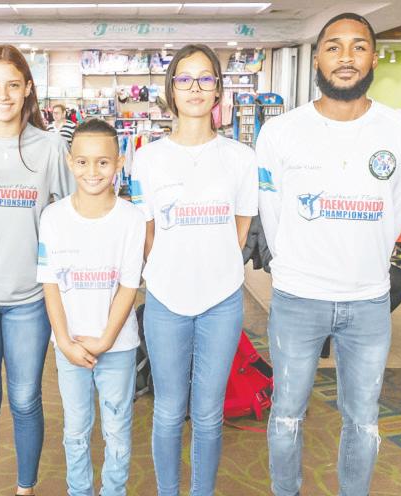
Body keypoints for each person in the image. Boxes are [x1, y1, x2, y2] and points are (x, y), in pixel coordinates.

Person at [256, 13, 401, 496]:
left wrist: (363, 259)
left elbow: (396, 212)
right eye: (334, 47)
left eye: (358, 47)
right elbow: (272, 214)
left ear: (375, 58)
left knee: (364, 420)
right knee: (286, 414)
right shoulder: (281, 132)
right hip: (297, 298)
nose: (346, 58)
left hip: (368, 301)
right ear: (317, 59)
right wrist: (295, 267)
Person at [128, 44, 257, 495]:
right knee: (167, 410)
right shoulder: (148, 158)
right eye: (184, 79)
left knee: (207, 413)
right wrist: (172, 266)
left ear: (218, 88)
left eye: (205, 78)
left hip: (222, 300)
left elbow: (241, 227)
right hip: (166, 298)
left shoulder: (240, 157)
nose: (195, 88)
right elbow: (147, 231)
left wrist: (211, 262)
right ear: (172, 90)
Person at [0, 45, 71, 496]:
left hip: (30, 299)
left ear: (28, 89)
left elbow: (73, 213)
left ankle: (25, 488)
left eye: (12, 85)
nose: (2, 95)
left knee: (25, 399)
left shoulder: (49, 147)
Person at [38, 119, 144, 496]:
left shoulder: (131, 219)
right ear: (70, 162)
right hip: (69, 348)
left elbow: (129, 287)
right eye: (82, 162)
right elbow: (50, 284)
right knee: (76, 431)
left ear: (119, 163)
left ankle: (114, 490)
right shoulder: (53, 218)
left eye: (103, 162)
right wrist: (65, 341)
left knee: (117, 432)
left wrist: (105, 340)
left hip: (117, 346)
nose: (92, 171)